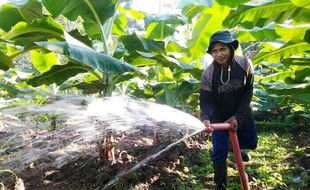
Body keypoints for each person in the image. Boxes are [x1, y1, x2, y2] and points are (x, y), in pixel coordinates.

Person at [199, 30, 258, 189]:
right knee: (219, 152)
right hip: (219, 116)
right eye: (214, 51)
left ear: (231, 48)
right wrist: (205, 117)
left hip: (241, 111)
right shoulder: (208, 74)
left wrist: (238, 116)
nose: (219, 54)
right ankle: (220, 184)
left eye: (222, 49)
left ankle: (233, 145)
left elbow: (248, 92)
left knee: (251, 142)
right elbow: (206, 100)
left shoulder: (245, 64)